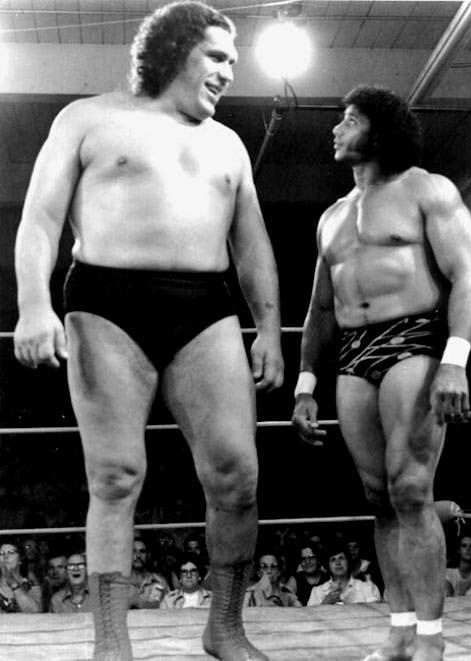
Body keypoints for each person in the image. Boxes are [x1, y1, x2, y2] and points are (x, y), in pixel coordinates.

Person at [13, 2, 283, 660]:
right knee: (114, 476)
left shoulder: (228, 144)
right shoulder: (87, 118)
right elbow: (41, 218)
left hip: (205, 305)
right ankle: (112, 642)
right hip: (106, 300)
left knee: (237, 475)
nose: (228, 72)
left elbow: (252, 247)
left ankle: (225, 627)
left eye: (233, 61)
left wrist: (270, 329)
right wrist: (32, 304)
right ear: (175, 50)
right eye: (217, 56)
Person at [292, 85, 471, 661]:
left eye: (349, 120)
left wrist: (455, 361)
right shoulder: (331, 217)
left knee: (411, 488)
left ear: (379, 131)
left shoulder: (427, 189)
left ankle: (432, 638)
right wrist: (305, 385)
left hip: (414, 339)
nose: (336, 129)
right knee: (378, 497)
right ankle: (400, 631)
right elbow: (319, 310)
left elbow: (468, 275)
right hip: (353, 353)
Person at [307, 542, 381, 606]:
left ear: (348, 561)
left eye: (341, 558)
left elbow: (377, 615)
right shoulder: (317, 592)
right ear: (328, 565)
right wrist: (326, 603)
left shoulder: (368, 588)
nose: (338, 563)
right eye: (333, 560)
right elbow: (308, 617)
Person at [0, 542, 42, 613]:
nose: (5, 557)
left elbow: (36, 612)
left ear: (20, 560)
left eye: (11, 552)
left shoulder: (31, 584)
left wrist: (13, 583)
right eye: (1, 553)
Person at [285, 542, 329, 606]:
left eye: (311, 557)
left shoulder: (327, 578)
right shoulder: (295, 580)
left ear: (318, 559)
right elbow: (285, 600)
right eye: (303, 559)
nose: (307, 561)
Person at [130, 537, 169, 608]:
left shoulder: (159, 581)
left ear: (148, 555)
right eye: (134, 551)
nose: (138, 555)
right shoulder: (119, 582)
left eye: (142, 551)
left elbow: (169, 608)